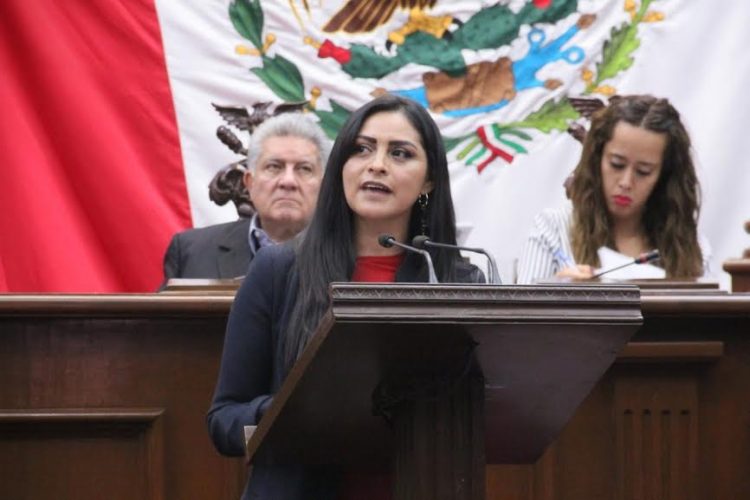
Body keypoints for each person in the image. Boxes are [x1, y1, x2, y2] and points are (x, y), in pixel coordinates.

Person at [207, 94, 485, 499]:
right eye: (362, 149)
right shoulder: (278, 270)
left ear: (429, 181)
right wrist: (290, 411)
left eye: (400, 153)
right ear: (341, 166)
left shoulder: (457, 281)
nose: (377, 164)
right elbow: (224, 420)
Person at [517, 94, 711, 284]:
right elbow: (522, 305)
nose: (626, 182)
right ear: (597, 159)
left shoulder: (691, 245)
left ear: (664, 176)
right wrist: (559, 289)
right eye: (617, 165)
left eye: (643, 172)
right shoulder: (552, 229)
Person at [159, 112, 330, 287]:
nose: (288, 181)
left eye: (304, 169)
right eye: (274, 167)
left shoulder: (346, 251)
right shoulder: (191, 252)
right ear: (250, 183)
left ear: (324, 186)